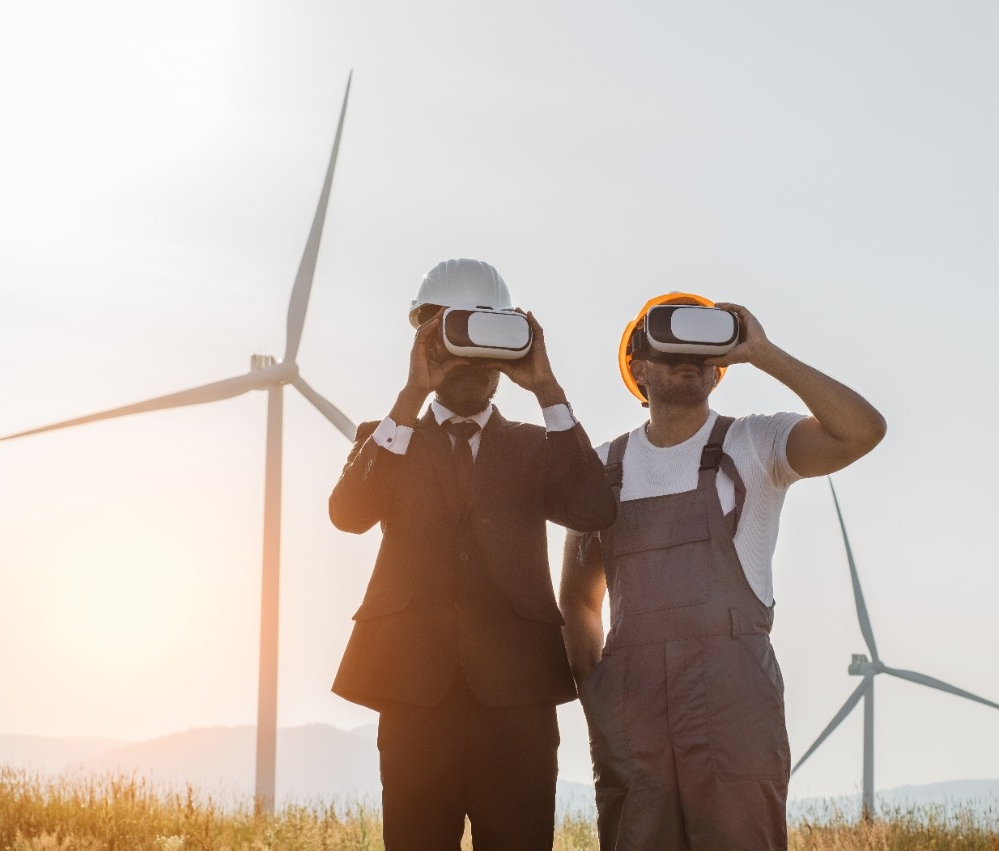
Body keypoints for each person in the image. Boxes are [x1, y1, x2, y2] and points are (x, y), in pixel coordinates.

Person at [559, 293, 887, 851]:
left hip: (734, 702)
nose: (686, 356)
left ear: (720, 370)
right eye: (668, 345)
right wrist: (599, 693)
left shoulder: (757, 443)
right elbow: (577, 602)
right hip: (631, 709)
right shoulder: (600, 466)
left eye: (701, 348)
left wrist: (763, 351)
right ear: (636, 367)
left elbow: (863, 431)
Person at [328, 258, 617, 851]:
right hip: (412, 693)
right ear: (423, 338)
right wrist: (412, 393)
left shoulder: (536, 445)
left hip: (518, 700)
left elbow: (594, 508)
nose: (468, 363)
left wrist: (546, 388)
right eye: (451, 337)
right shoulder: (385, 437)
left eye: (486, 345)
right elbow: (349, 514)